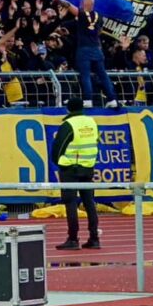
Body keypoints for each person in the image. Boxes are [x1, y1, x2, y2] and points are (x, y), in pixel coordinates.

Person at [51, 96, 101, 250]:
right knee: (89, 203)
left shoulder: (68, 124)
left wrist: (58, 161)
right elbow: (96, 141)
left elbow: (58, 147)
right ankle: (94, 238)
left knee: (70, 203)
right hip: (88, 168)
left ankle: (73, 239)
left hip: (70, 169)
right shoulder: (92, 122)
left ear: (69, 108)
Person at [54, 0, 118, 108]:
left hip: (84, 49)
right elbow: (98, 32)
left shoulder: (82, 14)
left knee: (85, 75)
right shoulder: (100, 16)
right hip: (97, 49)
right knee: (103, 74)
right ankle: (112, 99)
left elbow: (68, 5)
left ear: (84, 4)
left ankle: (88, 100)